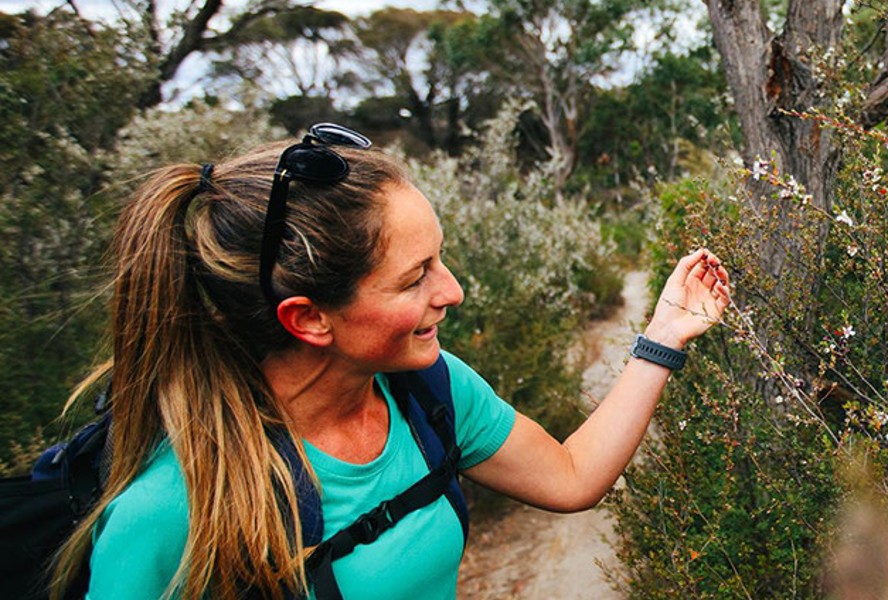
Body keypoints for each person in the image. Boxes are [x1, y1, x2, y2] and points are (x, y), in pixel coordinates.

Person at [51, 124, 730, 600]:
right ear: (309, 318)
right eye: (416, 278)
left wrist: (664, 331)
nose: (453, 291)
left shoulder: (427, 391)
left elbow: (573, 477)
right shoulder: (172, 512)